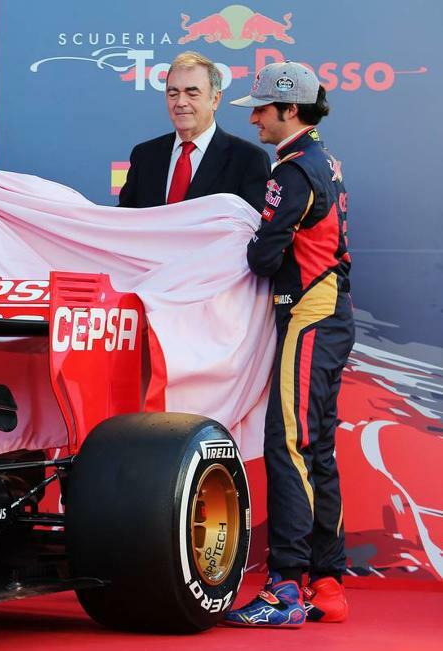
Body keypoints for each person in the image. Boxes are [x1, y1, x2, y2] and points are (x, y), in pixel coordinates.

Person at [224, 61, 353, 628]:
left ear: (290, 110)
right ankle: (327, 582)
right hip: (328, 317)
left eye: (261, 109)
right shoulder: (321, 160)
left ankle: (286, 587)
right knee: (316, 448)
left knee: (290, 446)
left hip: (308, 317)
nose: (254, 118)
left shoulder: (295, 170)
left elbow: (261, 255)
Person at [118, 51, 270, 210]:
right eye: (173, 93)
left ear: (215, 99)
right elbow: (125, 220)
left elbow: (254, 228)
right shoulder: (144, 156)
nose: (181, 102)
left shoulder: (248, 160)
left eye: (192, 93)